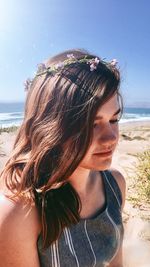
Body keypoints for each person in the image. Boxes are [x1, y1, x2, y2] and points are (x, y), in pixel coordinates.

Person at [0, 49, 126, 267]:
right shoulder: (20, 213)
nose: (111, 138)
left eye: (113, 120)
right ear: (51, 127)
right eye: (91, 124)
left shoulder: (115, 185)